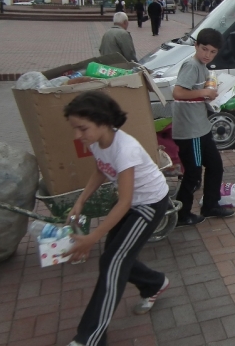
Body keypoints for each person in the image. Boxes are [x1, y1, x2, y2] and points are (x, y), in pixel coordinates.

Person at [64, 92, 170, 346]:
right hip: (132, 203)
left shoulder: (125, 149)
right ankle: (154, 283)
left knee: (113, 262)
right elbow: (101, 170)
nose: (77, 136)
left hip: (148, 204)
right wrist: (81, 200)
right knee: (115, 255)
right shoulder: (98, 142)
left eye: (82, 128)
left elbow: (123, 202)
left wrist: (91, 238)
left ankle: (90, 337)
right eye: (75, 128)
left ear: (102, 121)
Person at [172, 28, 234, 226]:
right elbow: (178, 93)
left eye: (212, 51)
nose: (207, 55)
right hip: (191, 133)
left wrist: (215, 95)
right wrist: (204, 92)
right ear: (196, 46)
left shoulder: (203, 66)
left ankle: (210, 205)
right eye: (204, 49)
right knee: (193, 173)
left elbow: (199, 94)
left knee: (215, 166)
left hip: (201, 127)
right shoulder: (191, 65)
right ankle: (182, 214)